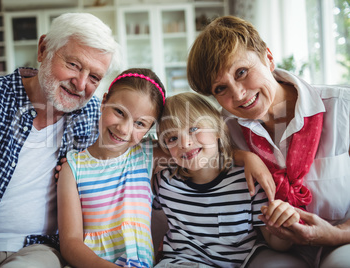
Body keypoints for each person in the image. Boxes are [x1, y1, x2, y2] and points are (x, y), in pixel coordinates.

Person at [0, 12, 121, 268]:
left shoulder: (97, 115)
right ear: (43, 49)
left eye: (94, 77)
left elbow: (147, 137)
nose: (80, 84)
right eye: (73, 64)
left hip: (36, 250)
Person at [186, 15, 350, 268]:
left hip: (343, 239)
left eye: (241, 72)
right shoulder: (225, 129)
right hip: (276, 247)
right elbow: (180, 150)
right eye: (220, 89)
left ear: (268, 58)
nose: (238, 94)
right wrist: (244, 156)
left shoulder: (343, 109)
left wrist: (336, 234)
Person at [152, 92, 299, 268]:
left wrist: (284, 224)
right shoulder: (164, 182)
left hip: (242, 261)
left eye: (193, 129)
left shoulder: (247, 181)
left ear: (217, 131)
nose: (184, 143)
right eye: (173, 138)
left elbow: (275, 243)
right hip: (181, 262)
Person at [57, 68, 167, 267]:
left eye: (140, 123)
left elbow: (200, 149)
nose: (124, 129)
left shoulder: (147, 154)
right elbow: (70, 243)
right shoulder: (73, 168)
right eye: (119, 112)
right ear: (104, 101)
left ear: (149, 130)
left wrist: (244, 157)